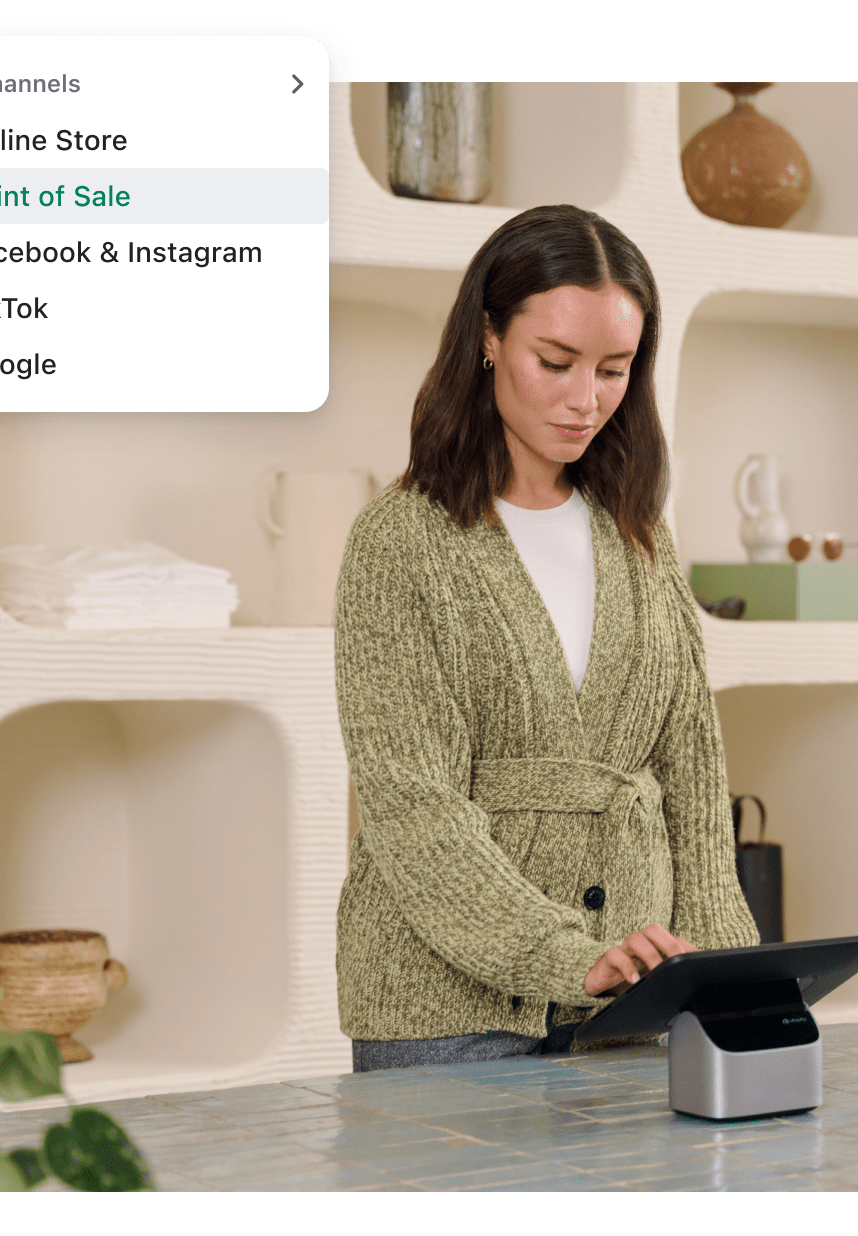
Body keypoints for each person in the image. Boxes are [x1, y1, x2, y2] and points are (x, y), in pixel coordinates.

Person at [334, 204, 758, 1072]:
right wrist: (568, 955)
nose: (585, 399)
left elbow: (692, 771)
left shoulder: (641, 535)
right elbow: (412, 808)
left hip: (633, 1005)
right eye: (555, 362)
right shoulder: (400, 543)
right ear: (487, 337)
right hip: (447, 1010)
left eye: (614, 369)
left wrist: (726, 971)